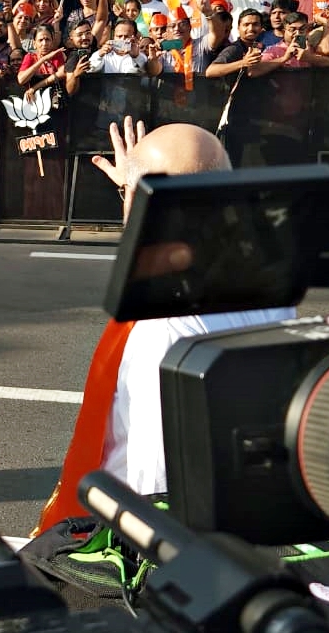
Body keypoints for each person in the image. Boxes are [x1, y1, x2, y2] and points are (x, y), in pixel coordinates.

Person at [31, 116, 296, 536]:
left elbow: (157, 492)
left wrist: (134, 191)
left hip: (142, 551)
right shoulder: (268, 290)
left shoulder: (164, 326)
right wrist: (135, 187)